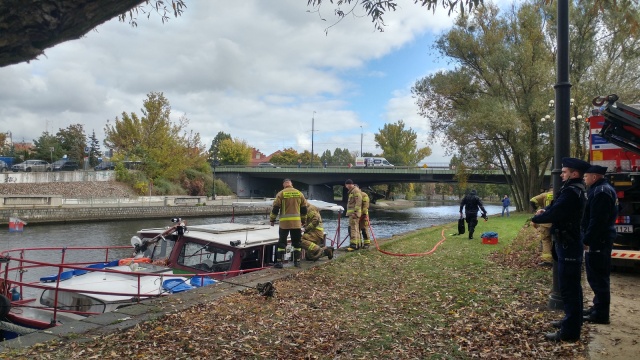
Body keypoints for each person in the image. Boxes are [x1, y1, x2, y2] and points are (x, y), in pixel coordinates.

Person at [531, 157, 589, 342]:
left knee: (569, 288)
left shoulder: (573, 191)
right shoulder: (573, 189)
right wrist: (544, 211)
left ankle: (569, 332)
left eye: (564, 172)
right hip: (568, 242)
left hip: (569, 243)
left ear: (574, 173)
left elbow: (558, 212)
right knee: (572, 286)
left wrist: (537, 218)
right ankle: (573, 321)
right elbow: (556, 206)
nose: (561, 174)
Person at [582, 165, 618, 325]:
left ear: (594, 177)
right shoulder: (605, 189)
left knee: (598, 277)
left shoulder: (600, 192)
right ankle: (597, 308)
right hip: (602, 239)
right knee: (596, 276)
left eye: (586, 176)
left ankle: (601, 314)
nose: (584, 178)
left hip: (599, 241)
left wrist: (587, 240)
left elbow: (597, 220)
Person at [270, 178, 308, 268]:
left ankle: (279, 262)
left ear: (284, 185)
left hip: (284, 224)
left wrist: (272, 219)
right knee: (297, 243)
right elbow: (304, 209)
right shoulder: (299, 193)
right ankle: (297, 262)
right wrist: (303, 220)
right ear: (291, 184)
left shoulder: (281, 194)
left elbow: (275, 208)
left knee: (282, 242)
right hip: (296, 223)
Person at [530, 189, 554, 267]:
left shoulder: (545, 195)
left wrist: (537, 210)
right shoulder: (561, 194)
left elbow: (533, 200)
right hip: (556, 221)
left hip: (545, 221)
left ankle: (548, 261)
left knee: (546, 240)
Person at [344, 179, 363, 251]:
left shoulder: (355, 191)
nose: (346, 187)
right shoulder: (353, 191)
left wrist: (355, 212)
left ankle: (353, 246)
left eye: (346, 185)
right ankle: (357, 244)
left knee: (353, 229)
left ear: (349, 184)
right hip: (353, 214)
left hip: (354, 214)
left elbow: (358, 202)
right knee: (355, 228)